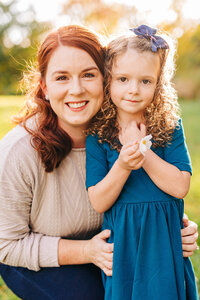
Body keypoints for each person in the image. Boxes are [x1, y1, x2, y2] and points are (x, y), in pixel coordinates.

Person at [0, 25, 198, 300]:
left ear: (104, 78)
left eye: (88, 75)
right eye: (62, 78)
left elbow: (164, 189)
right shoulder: (18, 152)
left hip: (118, 244)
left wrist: (174, 226)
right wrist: (87, 251)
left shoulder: (130, 127)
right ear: (44, 86)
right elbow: (7, 244)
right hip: (40, 258)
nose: (77, 89)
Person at [86, 25, 199, 300]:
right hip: (125, 247)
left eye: (145, 81)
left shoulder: (169, 127)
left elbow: (180, 186)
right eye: (123, 79)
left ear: (158, 83)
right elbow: (99, 201)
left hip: (165, 243)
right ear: (108, 80)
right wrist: (124, 164)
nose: (134, 90)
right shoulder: (99, 135)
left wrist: (142, 151)